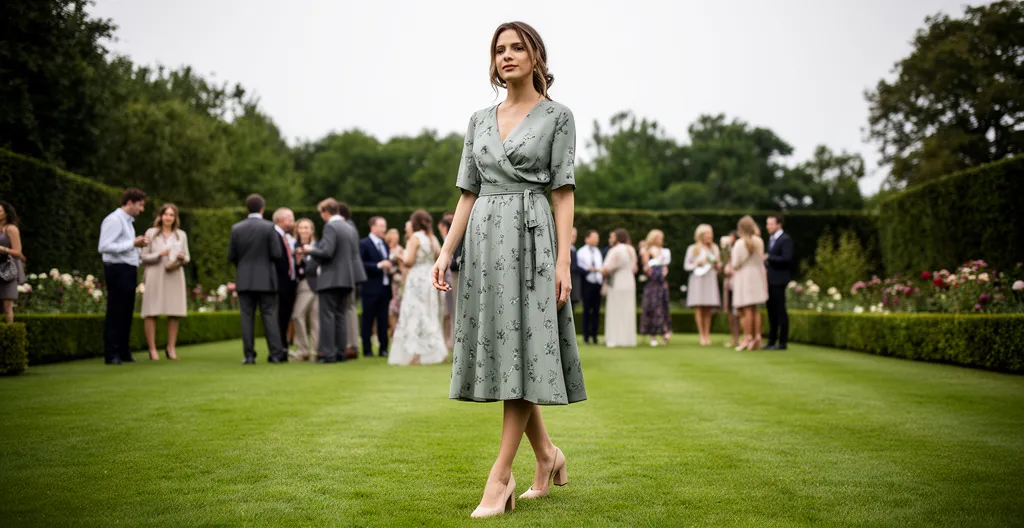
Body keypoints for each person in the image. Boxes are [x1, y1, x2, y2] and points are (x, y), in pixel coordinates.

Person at [430, 21, 585, 519]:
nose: (507, 56)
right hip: (483, 241)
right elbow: (467, 193)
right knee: (511, 354)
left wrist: (562, 258)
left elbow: (562, 192)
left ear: (536, 55)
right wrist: (444, 251)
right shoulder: (478, 120)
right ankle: (546, 455)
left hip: (533, 239)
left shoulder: (558, 117)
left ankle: (499, 478)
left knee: (524, 352)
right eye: (500, 49)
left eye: (518, 47)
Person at [228, 194, 285, 364]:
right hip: (266, 279)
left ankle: (249, 355)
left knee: (246, 317)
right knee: (269, 316)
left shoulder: (236, 228)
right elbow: (277, 253)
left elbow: (231, 255)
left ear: (247, 208)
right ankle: (275, 354)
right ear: (262, 208)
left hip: (245, 279)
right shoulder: (269, 228)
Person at [307, 198, 366, 363]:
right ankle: (341, 352)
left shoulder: (330, 226)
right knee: (341, 317)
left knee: (327, 316)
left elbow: (327, 252)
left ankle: (328, 354)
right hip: (348, 278)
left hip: (331, 279)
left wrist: (310, 249)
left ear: (325, 212)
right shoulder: (350, 227)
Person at [389, 210, 448, 366]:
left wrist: (398, 255)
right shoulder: (432, 238)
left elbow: (408, 261)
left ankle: (415, 354)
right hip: (429, 277)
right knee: (430, 313)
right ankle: (436, 351)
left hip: (416, 279)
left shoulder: (415, 238)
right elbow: (438, 257)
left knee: (414, 313)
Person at [98, 188, 149, 365]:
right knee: (116, 310)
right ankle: (111, 353)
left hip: (128, 269)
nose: (142, 209)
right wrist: (132, 243)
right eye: (140, 205)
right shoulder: (114, 220)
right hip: (117, 269)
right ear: (130, 202)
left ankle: (123, 350)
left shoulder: (128, 222)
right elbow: (104, 246)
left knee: (127, 311)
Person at [140, 203, 189, 360]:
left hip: (174, 273)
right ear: (160, 216)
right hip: (155, 273)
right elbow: (143, 257)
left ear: (175, 218)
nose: (168, 218)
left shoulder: (181, 235)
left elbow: (187, 256)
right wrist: (159, 254)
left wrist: (182, 258)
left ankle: (171, 348)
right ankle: (152, 349)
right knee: (151, 311)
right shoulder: (152, 233)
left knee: (174, 312)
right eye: (166, 214)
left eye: (172, 215)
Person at [731, 216, 768, 350]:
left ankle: (747, 338)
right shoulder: (759, 241)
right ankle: (757, 336)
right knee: (754, 309)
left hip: (745, 277)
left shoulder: (740, 244)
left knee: (746, 310)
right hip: (757, 275)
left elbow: (735, 263)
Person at [360, 216, 392, 358]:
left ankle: (383, 348)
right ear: (372, 227)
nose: (384, 229)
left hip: (384, 287)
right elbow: (361, 264)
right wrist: (379, 265)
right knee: (368, 319)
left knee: (383, 319)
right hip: (370, 288)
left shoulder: (384, 244)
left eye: (384, 226)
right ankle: (367, 349)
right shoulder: (364, 244)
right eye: (381, 226)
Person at [684, 224, 722, 346]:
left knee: (708, 308)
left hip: (710, 278)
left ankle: (707, 334)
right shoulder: (693, 249)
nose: (710, 236)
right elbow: (687, 266)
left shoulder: (714, 248)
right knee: (699, 307)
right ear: (701, 235)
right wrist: (697, 263)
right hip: (698, 279)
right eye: (707, 234)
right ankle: (702, 335)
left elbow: (718, 266)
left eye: (711, 233)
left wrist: (717, 263)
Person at [603, 229, 638, 348]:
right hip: (630, 281)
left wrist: (601, 271)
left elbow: (606, 268)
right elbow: (635, 269)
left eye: (612, 237)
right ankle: (628, 340)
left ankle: (614, 339)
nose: (610, 240)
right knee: (628, 310)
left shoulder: (615, 250)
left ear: (618, 238)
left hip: (617, 282)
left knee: (615, 310)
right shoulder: (631, 249)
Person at [291, 218, 320, 361]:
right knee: (297, 315)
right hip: (302, 285)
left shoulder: (318, 246)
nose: (303, 230)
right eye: (301, 228)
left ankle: (314, 351)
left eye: (306, 228)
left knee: (316, 319)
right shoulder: (293, 246)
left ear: (312, 230)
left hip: (317, 284)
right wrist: (297, 261)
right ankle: (302, 350)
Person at [764, 214, 793, 350]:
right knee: (771, 311)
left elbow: (787, 259)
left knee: (780, 311)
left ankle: (782, 342)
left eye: (770, 224)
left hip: (779, 280)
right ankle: (771, 340)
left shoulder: (785, 239)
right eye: (767, 224)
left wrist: (769, 257)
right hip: (770, 280)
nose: (768, 226)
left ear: (779, 225)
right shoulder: (771, 239)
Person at [640, 229, 672, 347]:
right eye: (658, 238)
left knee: (663, 308)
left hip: (661, 284)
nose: (661, 240)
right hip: (652, 284)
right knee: (652, 308)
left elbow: (665, 266)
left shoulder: (665, 252)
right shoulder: (646, 251)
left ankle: (664, 332)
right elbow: (646, 267)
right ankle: (652, 335)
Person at [272, 208, 297, 355]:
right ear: (281, 219)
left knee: (285, 317)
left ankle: (283, 347)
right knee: (278, 317)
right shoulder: (273, 236)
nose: (293, 222)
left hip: (289, 283)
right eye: (291, 219)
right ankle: (278, 349)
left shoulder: (287, 238)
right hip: (278, 284)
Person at [338, 203, 361, 359]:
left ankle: (348, 345)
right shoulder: (351, 228)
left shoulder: (343, 228)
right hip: (353, 274)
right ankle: (353, 344)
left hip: (345, 275)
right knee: (350, 309)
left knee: (347, 309)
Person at [0, 201, 27, 324]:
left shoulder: (11, 229)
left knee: (7, 306)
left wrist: (2, 249)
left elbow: (17, 252)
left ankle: (10, 333)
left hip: (8, 271)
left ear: (6, 213)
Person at [576, 229, 603, 345]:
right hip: (587, 283)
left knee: (596, 310)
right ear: (587, 238)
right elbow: (578, 268)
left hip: (597, 282)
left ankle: (595, 336)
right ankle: (586, 337)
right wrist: (588, 270)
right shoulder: (581, 252)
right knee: (587, 310)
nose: (596, 239)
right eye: (594, 237)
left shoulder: (597, 251)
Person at [720, 230, 741, 348]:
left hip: (739, 284)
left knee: (740, 312)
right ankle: (734, 338)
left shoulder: (740, 250)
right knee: (730, 313)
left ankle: (743, 337)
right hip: (729, 285)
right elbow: (723, 267)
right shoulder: (727, 253)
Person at [437, 215, 455, 349]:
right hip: (444, 279)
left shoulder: (452, 241)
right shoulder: (438, 241)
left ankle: (451, 340)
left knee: (451, 311)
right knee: (445, 312)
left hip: (451, 279)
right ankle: (446, 339)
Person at [385, 227, 405, 338]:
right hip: (387, 281)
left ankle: (396, 331)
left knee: (396, 305)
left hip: (397, 281)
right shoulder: (386, 249)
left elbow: (403, 265)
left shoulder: (399, 249)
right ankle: (393, 329)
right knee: (391, 306)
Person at [569, 227, 582, 305]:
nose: (574, 238)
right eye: (572, 236)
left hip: (574, 282)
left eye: (575, 236)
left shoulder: (573, 248)